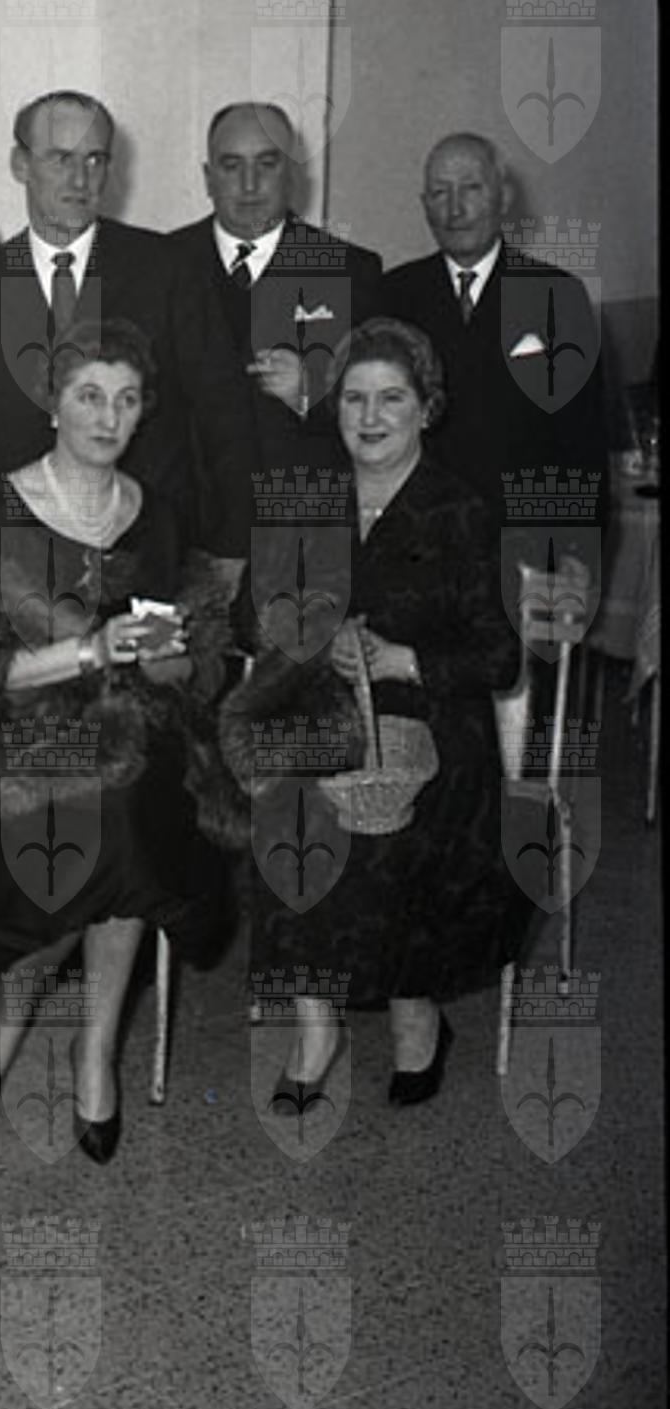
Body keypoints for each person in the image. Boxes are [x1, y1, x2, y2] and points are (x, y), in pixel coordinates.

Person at [220, 318, 529, 1108]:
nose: (370, 415)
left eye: (392, 397)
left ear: (426, 407)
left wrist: (403, 660)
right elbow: (249, 619)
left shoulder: (460, 509)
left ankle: (414, 1011)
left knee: (401, 831)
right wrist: (314, 635)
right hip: (325, 711)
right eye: (355, 398)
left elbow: (500, 657)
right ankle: (316, 1026)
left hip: (428, 726)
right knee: (288, 805)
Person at [0, 323, 232, 1162]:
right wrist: (89, 652)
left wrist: (175, 658)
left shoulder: (157, 514)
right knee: (107, 809)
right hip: (15, 734)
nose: (109, 418)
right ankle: (17, 1004)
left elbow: (183, 655)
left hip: (134, 730)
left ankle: (95, 1047)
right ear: (53, 402)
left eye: (128, 400)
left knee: (135, 797)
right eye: (90, 396)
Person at [0, 91, 235, 547]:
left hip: (152, 546)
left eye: (95, 160)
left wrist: (224, 549)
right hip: (21, 555)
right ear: (20, 164)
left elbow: (220, 414)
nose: (80, 179)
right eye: (61, 159)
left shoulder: (166, 270)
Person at [165, 103, 384, 565]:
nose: (249, 185)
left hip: (306, 545)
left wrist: (312, 394)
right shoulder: (161, 263)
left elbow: (384, 415)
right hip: (184, 544)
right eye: (231, 166)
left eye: (267, 164)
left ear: (293, 173)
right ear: (207, 177)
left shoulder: (351, 272)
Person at [380, 134, 606, 535]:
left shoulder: (555, 295)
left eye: (471, 188)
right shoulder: (393, 294)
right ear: (424, 205)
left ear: (504, 198)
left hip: (522, 538)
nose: (455, 209)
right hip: (418, 540)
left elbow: (583, 444)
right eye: (439, 192)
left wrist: (575, 550)